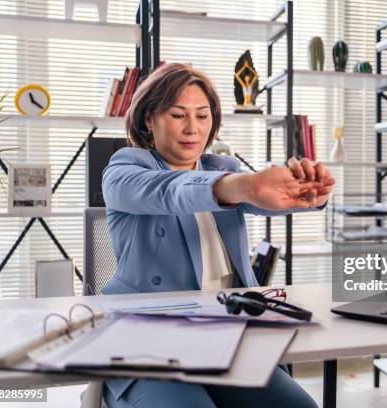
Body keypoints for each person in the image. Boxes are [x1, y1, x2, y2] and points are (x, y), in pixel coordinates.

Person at [100, 63, 335, 408]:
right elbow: (170, 192)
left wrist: (310, 193)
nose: (193, 128)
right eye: (178, 115)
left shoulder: (223, 169)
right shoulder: (125, 169)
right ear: (149, 119)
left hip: (226, 336)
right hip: (147, 342)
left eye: (202, 115)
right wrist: (240, 187)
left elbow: (266, 199)